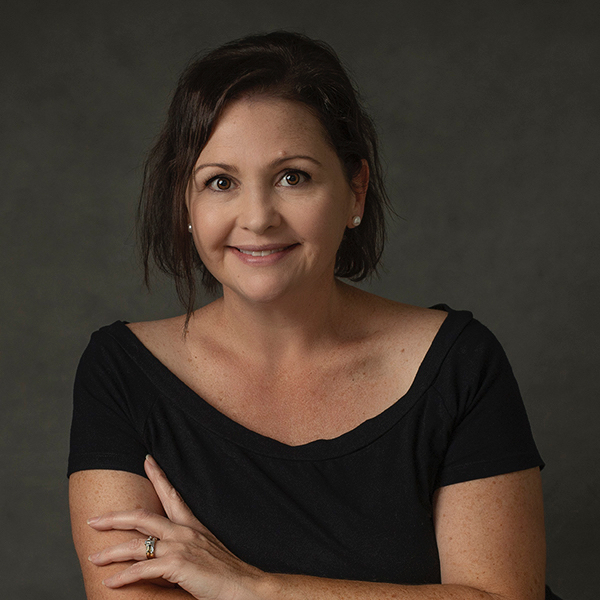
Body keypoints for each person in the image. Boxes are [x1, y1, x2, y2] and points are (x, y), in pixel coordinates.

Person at [68, 31, 560, 600]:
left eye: (292, 177)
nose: (257, 217)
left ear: (355, 190)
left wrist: (254, 588)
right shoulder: (121, 374)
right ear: (186, 202)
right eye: (220, 182)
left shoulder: (460, 363)